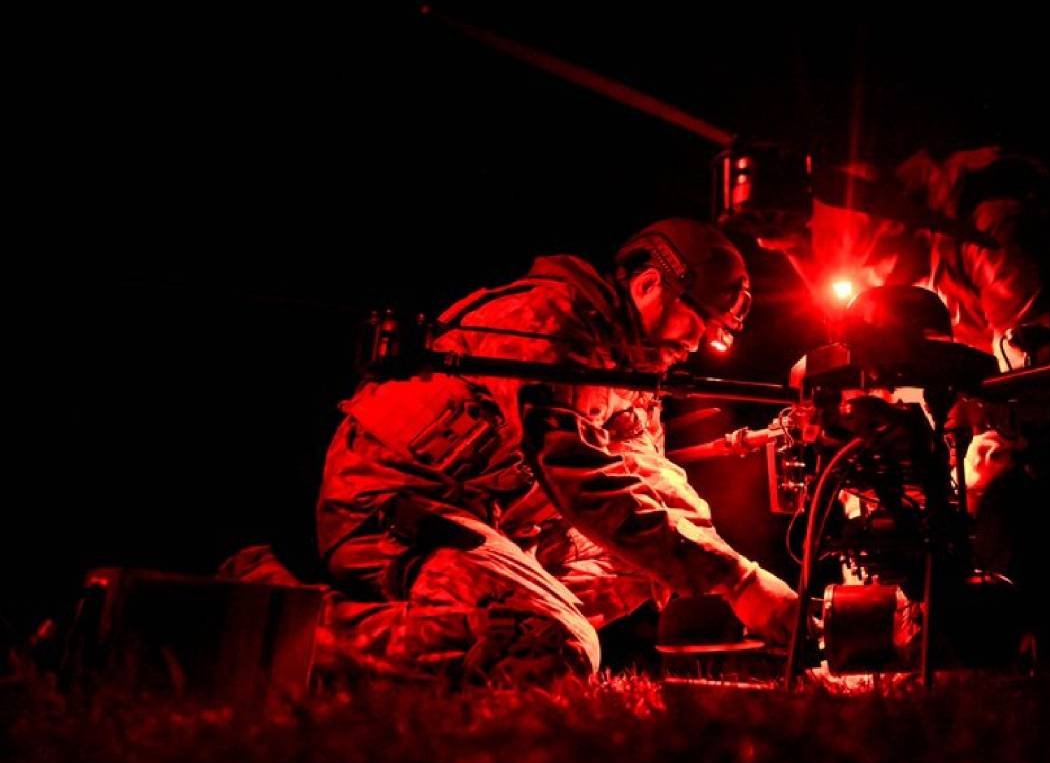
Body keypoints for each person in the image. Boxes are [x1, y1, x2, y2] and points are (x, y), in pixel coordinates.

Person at [229, 218, 800, 684]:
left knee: (651, 565)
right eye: (698, 322)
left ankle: (496, 618)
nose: (699, 343)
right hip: (395, 513)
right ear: (651, 284)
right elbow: (582, 477)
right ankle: (284, 618)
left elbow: (650, 479)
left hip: (478, 522)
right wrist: (737, 582)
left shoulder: (630, 364)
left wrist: (741, 575)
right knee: (555, 649)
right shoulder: (551, 323)